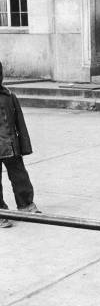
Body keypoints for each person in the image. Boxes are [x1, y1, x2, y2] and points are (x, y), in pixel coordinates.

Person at [0, 61, 40, 228]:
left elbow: (20, 124)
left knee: (20, 176)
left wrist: (24, 146)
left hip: (10, 146)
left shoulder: (9, 96)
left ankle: (26, 205)